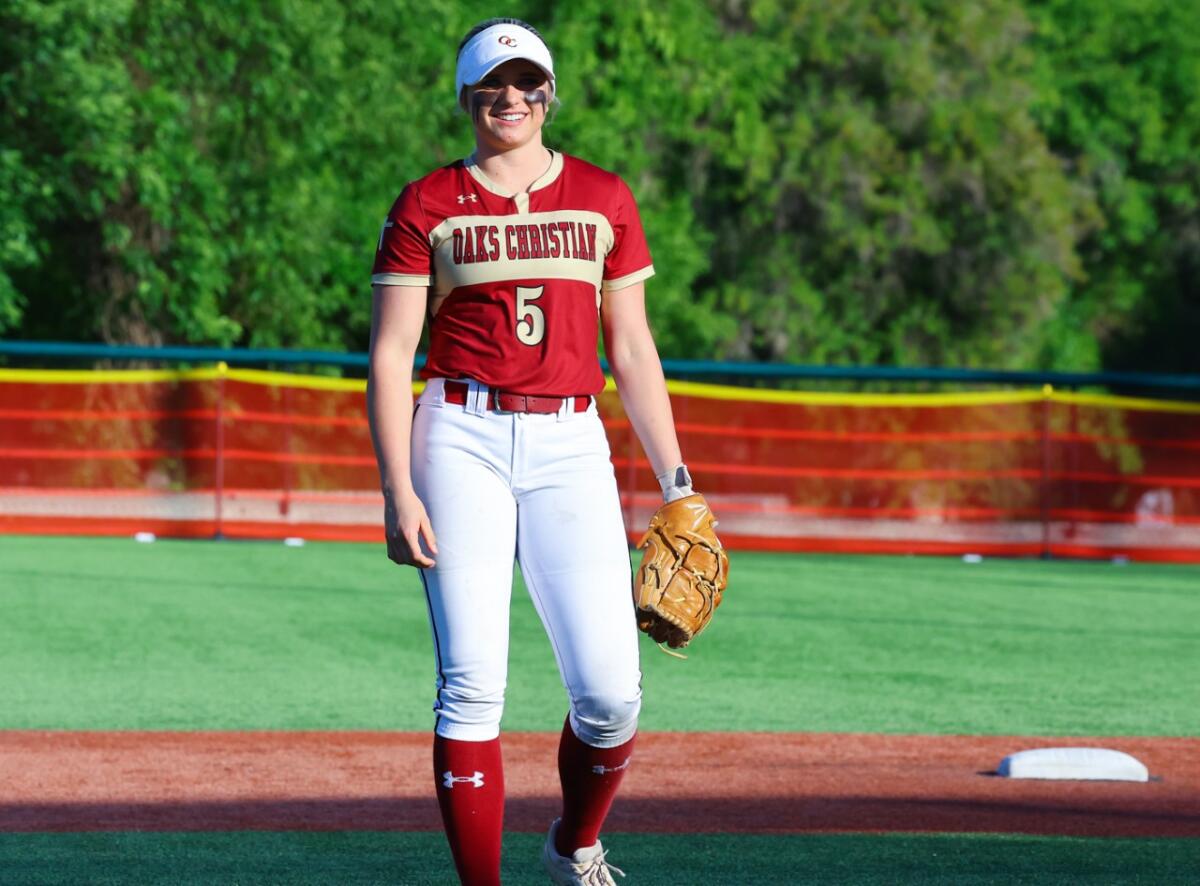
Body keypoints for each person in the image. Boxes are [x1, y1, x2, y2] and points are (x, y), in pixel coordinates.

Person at [367, 17, 696, 886]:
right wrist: (398, 488)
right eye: (492, 84)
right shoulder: (427, 202)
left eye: (525, 82)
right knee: (473, 685)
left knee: (610, 692)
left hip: (571, 441)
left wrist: (678, 484)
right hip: (460, 434)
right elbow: (393, 351)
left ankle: (575, 843)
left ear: (548, 92)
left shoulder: (603, 196)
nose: (510, 98)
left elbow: (631, 349)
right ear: (468, 97)